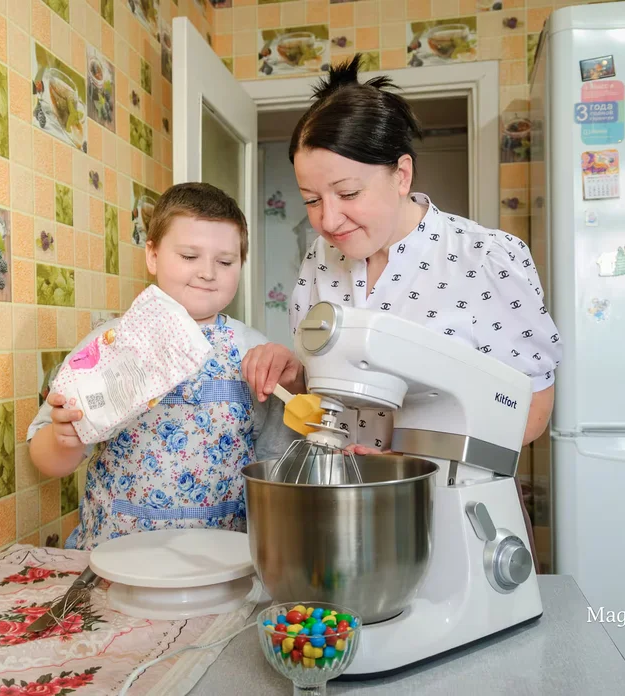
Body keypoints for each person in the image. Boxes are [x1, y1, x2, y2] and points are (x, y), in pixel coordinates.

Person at [241, 56, 562, 559]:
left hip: (457, 515)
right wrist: (290, 371)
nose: (328, 218)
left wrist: (401, 463)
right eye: (310, 199)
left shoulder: (483, 259)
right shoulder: (319, 260)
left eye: (347, 193)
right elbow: (325, 392)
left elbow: (531, 414)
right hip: (348, 508)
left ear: (401, 175)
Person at [28, 182, 295, 552]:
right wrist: (63, 440)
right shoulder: (108, 345)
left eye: (225, 261)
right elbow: (46, 459)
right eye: (189, 256)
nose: (207, 272)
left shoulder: (253, 351)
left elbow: (277, 463)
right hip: (115, 556)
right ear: (152, 255)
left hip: (220, 561)